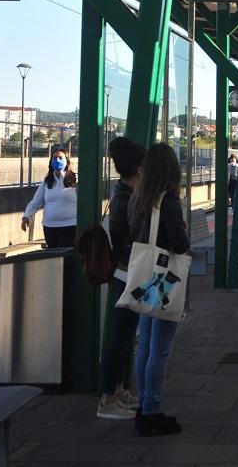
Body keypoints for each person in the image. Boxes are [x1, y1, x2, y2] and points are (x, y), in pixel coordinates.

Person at [129, 143, 190, 436]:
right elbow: (180, 244)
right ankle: (152, 410)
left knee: (146, 346)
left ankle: (143, 406)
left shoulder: (140, 198)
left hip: (145, 279)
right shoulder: (168, 201)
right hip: (164, 280)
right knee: (160, 350)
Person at [97, 137, 145, 420]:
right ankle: (107, 399)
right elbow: (128, 239)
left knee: (125, 337)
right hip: (128, 274)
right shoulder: (127, 200)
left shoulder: (123, 196)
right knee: (120, 339)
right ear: (139, 168)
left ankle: (118, 390)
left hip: (127, 273)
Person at [21, 147, 78, 247]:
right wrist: (26, 216)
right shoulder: (47, 181)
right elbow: (36, 201)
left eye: (60, 158)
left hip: (70, 226)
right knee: (54, 257)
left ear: (67, 161)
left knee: (66, 257)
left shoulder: (74, 181)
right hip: (50, 227)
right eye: (54, 158)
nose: (57, 160)